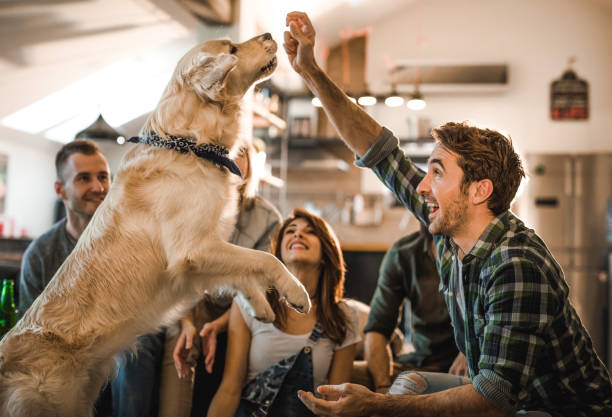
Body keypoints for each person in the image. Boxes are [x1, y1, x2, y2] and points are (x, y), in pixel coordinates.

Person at [283, 11, 612, 417]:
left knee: (394, 406)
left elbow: (493, 399)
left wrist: (376, 406)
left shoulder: (516, 263)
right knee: (410, 386)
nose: (422, 186)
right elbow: (381, 153)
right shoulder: (453, 229)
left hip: (562, 411)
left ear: (479, 191)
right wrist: (311, 71)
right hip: (511, 400)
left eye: (437, 173)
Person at [160, 140, 283, 417]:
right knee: (181, 338)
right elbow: (176, 271)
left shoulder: (267, 218)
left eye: (239, 154)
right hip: (192, 301)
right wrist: (188, 321)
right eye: (224, 154)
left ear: (250, 165)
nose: (230, 160)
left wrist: (220, 324)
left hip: (240, 309)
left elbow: (261, 285)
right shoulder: (190, 209)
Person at [205, 208, 361, 417]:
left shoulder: (344, 316)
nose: (298, 234)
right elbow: (229, 390)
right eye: (291, 230)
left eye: (310, 232)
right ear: (278, 253)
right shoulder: (250, 302)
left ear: (326, 253)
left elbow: (334, 405)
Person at [18, 139, 113, 416]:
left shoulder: (129, 244)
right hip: (61, 367)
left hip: (117, 359)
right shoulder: (40, 254)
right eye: (84, 178)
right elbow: (29, 335)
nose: (98, 188)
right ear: (60, 189)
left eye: (103, 177)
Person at [356, 224, 463, 394]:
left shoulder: (481, 249)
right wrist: (382, 390)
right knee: (352, 374)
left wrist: (468, 353)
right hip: (419, 363)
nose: (425, 197)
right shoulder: (403, 253)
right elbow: (377, 329)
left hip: (470, 367)